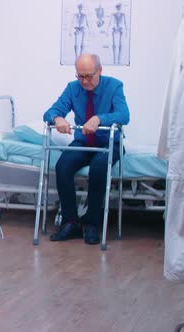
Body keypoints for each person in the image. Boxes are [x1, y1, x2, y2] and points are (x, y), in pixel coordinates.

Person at [43, 53, 130, 245]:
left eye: (89, 76)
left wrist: (100, 119)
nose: (84, 81)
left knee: (99, 168)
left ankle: (91, 223)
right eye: (80, 76)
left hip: (109, 143)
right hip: (84, 143)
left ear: (100, 71)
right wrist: (57, 118)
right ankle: (70, 222)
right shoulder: (73, 88)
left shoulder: (114, 86)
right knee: (62, 166)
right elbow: (51, 111)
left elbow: (124, 115)